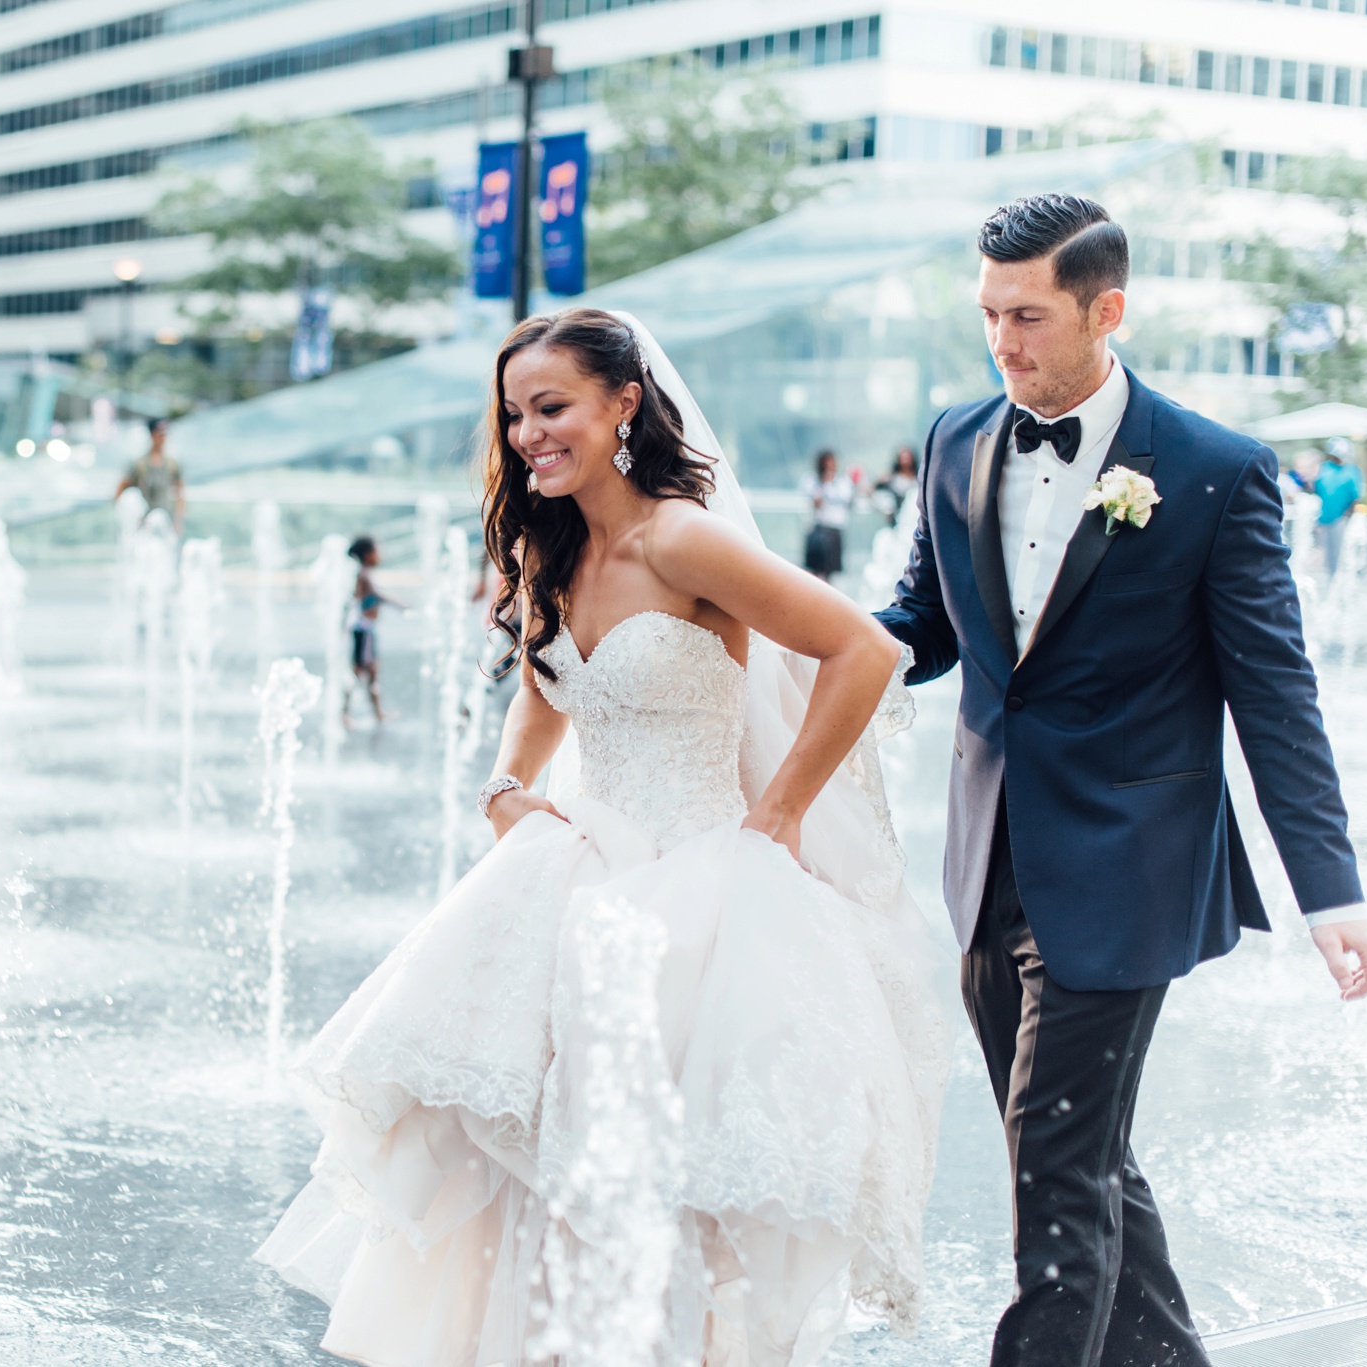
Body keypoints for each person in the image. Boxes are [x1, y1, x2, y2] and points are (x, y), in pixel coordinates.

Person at [258, 308, 947, 1365]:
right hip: (574, 883)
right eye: (515, 414)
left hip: (701, 904)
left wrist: (778, 814)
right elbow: (546, 685)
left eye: (551, 407)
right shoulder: (551, 539)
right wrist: (502, 786)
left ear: (623, 403)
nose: (528, 432)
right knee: (519, 1180)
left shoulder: (682, 536)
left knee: (657, 1191)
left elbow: (856, 648)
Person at [878, 193, 1367, 1367]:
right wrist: (782, 644)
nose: (1002, 342)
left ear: (1105, 310)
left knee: (1052, 1175)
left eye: (1028, 317)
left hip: (1126, 868)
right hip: (986, 860)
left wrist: (1331, 889)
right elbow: (919, 625)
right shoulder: (956, 436)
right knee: (1077, 1153)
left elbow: (1273, 693)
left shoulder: (1213, 470)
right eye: (989, 314)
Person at [343, 534, 401, 725]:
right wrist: (400, 604)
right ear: (368, 555)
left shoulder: (363, 573)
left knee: (371, 671)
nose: (379, 555)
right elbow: (377, 596)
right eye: (377, 551)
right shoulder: (364, 574)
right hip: (364, 630)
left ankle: (377, 713)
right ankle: (345, 713)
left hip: (365, 629)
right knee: (360, 671)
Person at [114, 417, 185, 534]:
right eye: (159, 434)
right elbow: (121, 488)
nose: (162, 438)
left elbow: (180, 492)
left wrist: (178, 520)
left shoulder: (172, 464)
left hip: (165, 521)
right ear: (152, 435)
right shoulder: (139, 464)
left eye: (164, 434)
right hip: (143, 525)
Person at [1314, 438, 1364, 579]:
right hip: (1323, 518)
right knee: (1327, 553)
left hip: (1341, 518)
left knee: (1341, 552)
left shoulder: (1352, 471)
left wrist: (1348, 516)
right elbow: (1315, 490)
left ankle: (1342, 579)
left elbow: (1356, 497)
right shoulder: (1324, 468)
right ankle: (1332, 580)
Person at [800, 448, 855, 578]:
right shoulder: (813, 481)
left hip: (834, 530)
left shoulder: (842, 482)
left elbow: (847, 499)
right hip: (819, 529)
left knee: (829, 572)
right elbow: (813, 502)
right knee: (814, 571)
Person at [874, 445, 920, 526]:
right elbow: (875, 489)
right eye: (903, 458)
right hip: (899, 518)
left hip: (917, 516)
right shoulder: (892, 478)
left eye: (908, 458)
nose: (906, 461)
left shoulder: (919, 477)